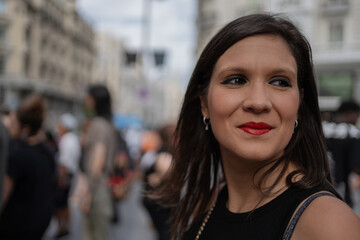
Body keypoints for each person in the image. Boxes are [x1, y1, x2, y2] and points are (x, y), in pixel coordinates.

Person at [154, 13, 360, 240]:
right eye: (236, 80)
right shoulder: (203, 205)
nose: (258, 102)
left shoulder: (328, 225)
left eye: (280, 82)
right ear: (204, 103)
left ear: (299, 104)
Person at [0, 94, 57, 240]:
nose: (9, 128)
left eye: (13, 124)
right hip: (39, 226)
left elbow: (3, 194)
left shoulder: (16, 156)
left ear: (25, 128)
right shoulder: (47, 151)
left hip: (15, 228)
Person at [80, 84, 117, 240]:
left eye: (88, 97)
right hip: (102, 189)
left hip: (97, 190)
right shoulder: (107, 124)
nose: (85, 100)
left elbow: (98, 159)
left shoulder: (98, 125)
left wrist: (88, 192)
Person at [322, 100, 360, 206]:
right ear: (351, 113)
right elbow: (356, 169)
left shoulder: (320, 128)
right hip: (341, 196)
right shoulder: (352, 133)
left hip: (316, 191)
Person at [55, 113, 81, 238]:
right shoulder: (74, 138)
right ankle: (65, 227)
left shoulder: (67, 139)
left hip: (65, 175)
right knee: (64, 203)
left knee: (61, 203)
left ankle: (63, 227)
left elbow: (64, 163)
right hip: (70, 174)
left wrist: (61, 178)